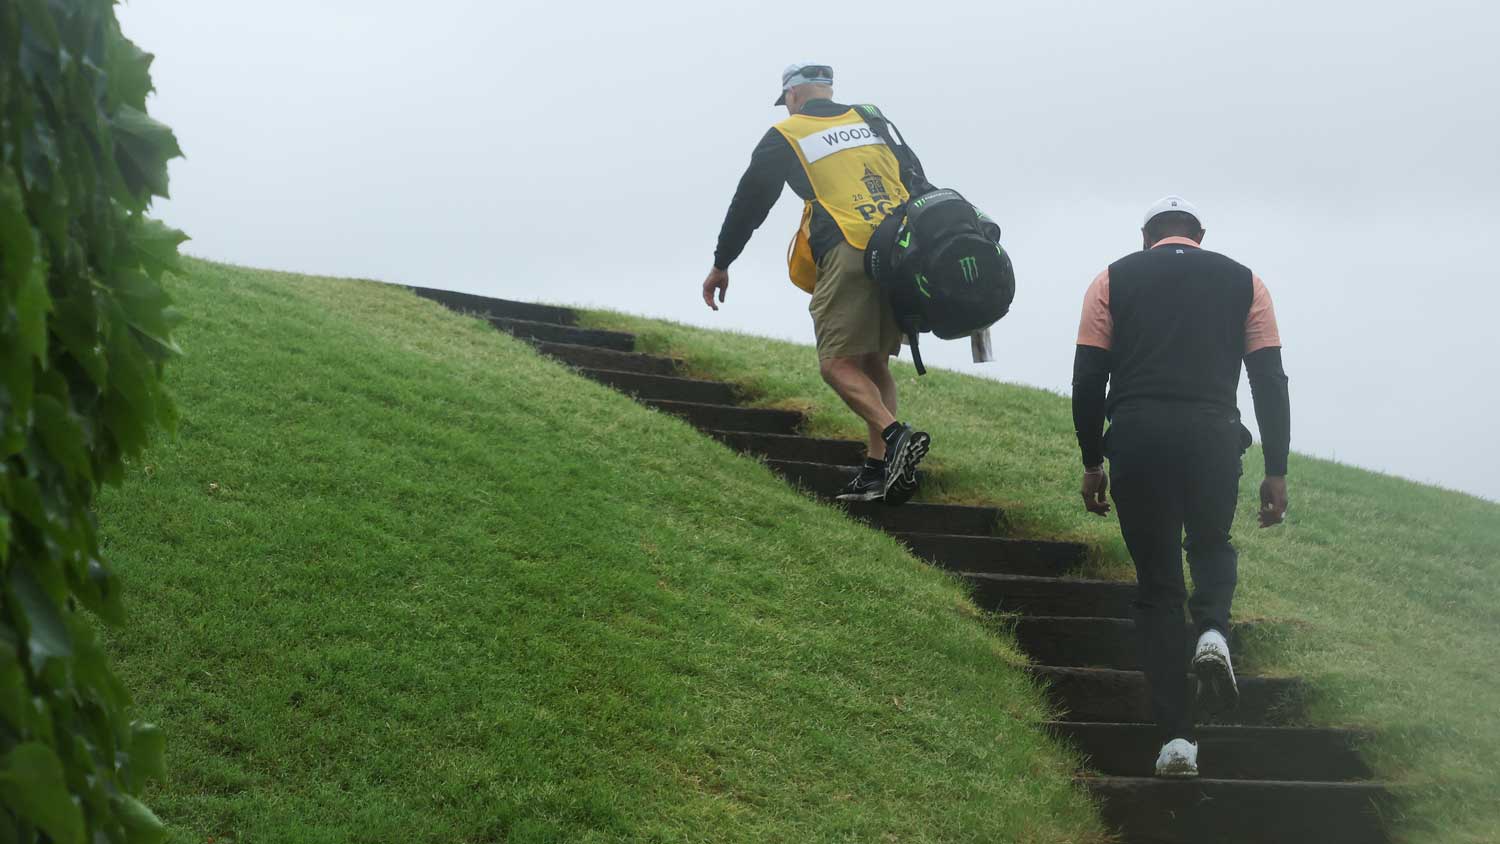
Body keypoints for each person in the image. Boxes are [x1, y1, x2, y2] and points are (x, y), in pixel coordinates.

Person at [1071, 196, 1291, 778]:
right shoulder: (1247, 282)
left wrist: (1092, 461)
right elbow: (1268, 378)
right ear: (1200, 234)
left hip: (1138, 439)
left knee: (1158, 587)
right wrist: (1276, 468)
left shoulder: (1111, 279)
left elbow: (1088, 377)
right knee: (1211, 544)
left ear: (1146, 237)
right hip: (1213, 437)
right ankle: (1213, 628)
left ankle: (1176, 741)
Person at [700, 62, 931, 505]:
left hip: (850, 248)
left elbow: (750, 202)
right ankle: (878, 470)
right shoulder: (870, 119)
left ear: (792, 96)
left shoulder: (788, 133)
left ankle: (896, 437)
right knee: (873, 360)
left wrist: (721, 262)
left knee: (836, 364)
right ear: (828, 90)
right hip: (900, 248)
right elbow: (915, 176)